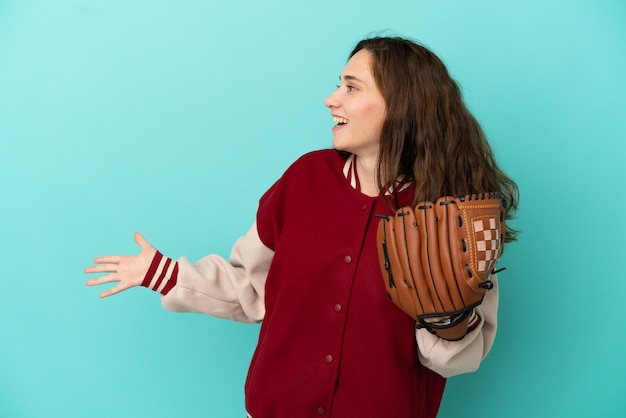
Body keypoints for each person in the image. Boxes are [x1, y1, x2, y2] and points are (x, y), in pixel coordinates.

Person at [85, 36, 519, 418]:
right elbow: (251, 289)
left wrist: (449, 318)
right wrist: (161, 273)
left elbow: (452, 360)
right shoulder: (304, 180)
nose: (332, 99)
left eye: (351, 87)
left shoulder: (457, 217)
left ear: (402, 104)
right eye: (339, 85)